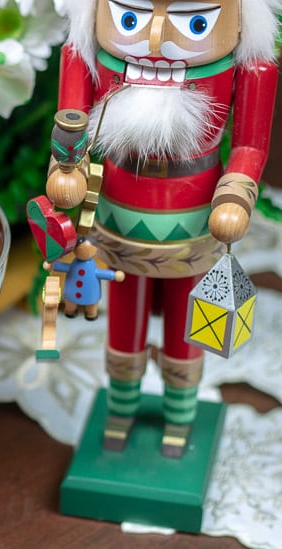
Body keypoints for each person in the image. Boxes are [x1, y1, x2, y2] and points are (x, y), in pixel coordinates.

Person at [36, 0, 280, 456]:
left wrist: (236, 194)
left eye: (195, 20)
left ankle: (179, 417)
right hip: (117, 215)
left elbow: (250, 143)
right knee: (123, 318)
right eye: (131, 16)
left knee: (188, 327)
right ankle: (121, 411)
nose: (155, 41)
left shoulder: (250, 67)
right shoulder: (86, 53)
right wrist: (65, 170)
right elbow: (71, 127)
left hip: (195, 218)